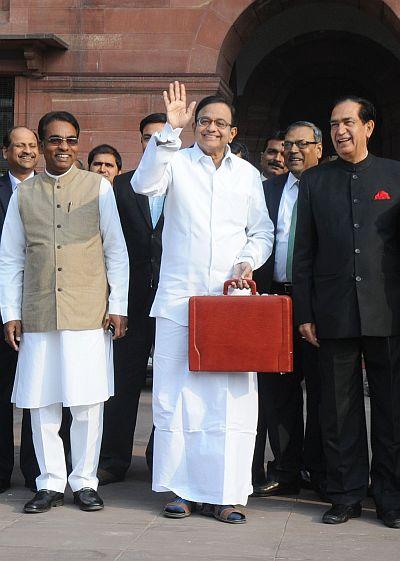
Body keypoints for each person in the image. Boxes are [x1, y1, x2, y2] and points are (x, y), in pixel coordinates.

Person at [132, 81, 274, 524]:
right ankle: (181, 490)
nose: (212, 128)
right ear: (195, 126)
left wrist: (248, 262)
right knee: (176, 397)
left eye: (221, 123)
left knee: (230, 402)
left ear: (234, 132)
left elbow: (262, 232)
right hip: (180, 301)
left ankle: (227, 492)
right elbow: (143, 184)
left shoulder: (248, 176)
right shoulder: (174, 161)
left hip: (229, 306)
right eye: (205, 121)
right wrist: (168, 133)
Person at [0, 111, 129, 514]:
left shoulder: (98, 188)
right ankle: (51, 482)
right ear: (40, 145)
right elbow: (10, 258)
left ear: (78, 143)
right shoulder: (24, 193)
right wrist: (9, 312)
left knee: (87, 401)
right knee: (41, 402)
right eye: (55, 140)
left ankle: (85, 481)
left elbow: (116, 251)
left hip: (87, 310)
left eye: (71, 140)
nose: (63, 147)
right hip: (38, 309)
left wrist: (118, 306)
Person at [293, 96, 400, 529]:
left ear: (369, 127)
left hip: (388, 314)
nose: (341, 131)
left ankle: (390, 498)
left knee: (392, 411)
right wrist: (305, 312)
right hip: (333, 312)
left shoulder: (395, 174)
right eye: (334, 123)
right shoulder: (316, 181)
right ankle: (346, 494)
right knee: (339, 413)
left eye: (349, 122)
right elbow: (304, 253)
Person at [252, 121, 325, 499]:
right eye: (287, 146)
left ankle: (320, 468)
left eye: (301, 145)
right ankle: (285, 470)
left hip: (317, 302)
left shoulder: (331, 185)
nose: (292, 152)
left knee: (322, 388)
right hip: (273, 299)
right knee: (278, 390)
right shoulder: (267, 190)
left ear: (319, 149)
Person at [97, 113, 167, 485]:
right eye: (148, 138)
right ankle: (113, 460)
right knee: (123, 383)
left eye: (161, 136)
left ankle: (160, 459)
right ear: (140, 142)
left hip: (172, 301)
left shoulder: (183, 183)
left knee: (169, 385)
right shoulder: (120, 187)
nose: (154, 143)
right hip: (130, 302)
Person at [0, 126, 40, 494]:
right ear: (5, 151)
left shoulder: (49, 189)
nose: (26, 151)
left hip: (42, 308)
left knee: (36, 392)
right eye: (19, 146)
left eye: (32, 145)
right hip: (2, 308)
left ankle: (34, 471)